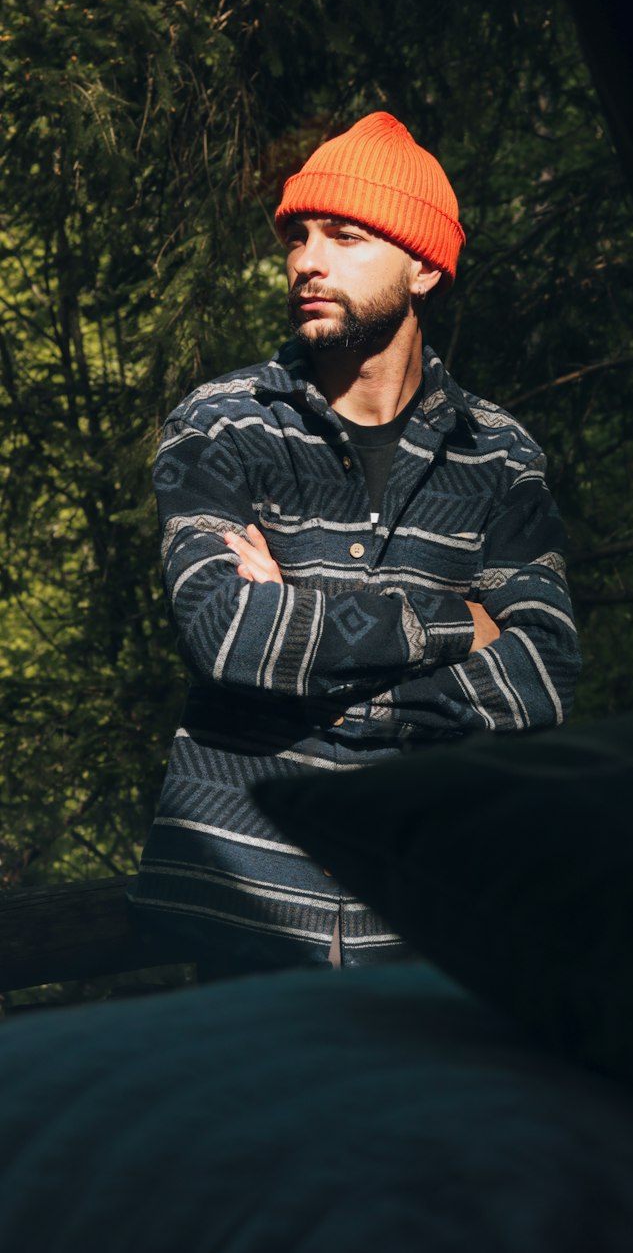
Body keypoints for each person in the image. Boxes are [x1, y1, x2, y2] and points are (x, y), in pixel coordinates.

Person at [132, 112, 581, 975]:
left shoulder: (500, 456)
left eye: (344, 235)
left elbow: (547, 671)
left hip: (431, 906)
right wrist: (455, 624)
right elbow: (230, 635)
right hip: (240, 904)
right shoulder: (222, 425)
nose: (307, 259)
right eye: (299, 236)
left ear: (424, 266)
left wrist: (305, 629)